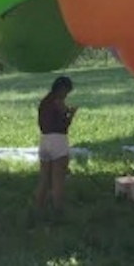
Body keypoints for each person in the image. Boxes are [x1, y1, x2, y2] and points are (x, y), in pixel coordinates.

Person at [35, 76, 77, 218]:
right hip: (58, 140)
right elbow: (64, 124)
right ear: (62, 89)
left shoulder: (44, 101)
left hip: (44, 140)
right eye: (66, 92)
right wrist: (71, 114)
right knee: (58, 178)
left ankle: (38, 208)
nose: (66, 96)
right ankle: (58, 210)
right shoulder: (57, 103)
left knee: (44, 178)